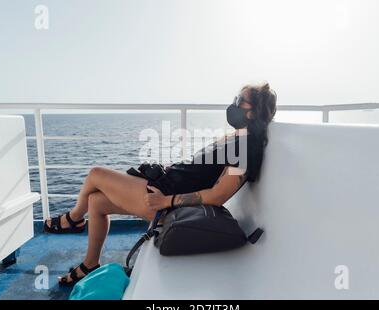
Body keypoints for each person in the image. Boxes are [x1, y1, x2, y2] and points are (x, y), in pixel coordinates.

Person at [44, 83, 277, 285]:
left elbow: (219, 195)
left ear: (252, 112)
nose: (233, 104)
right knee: (95, 202)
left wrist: (166, 201)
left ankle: (73, 220)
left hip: (165, 198)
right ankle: (90, 264)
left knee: (96, 174)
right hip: (166, 183)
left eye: (239, 100)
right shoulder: (237, 137)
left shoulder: (245, 149)